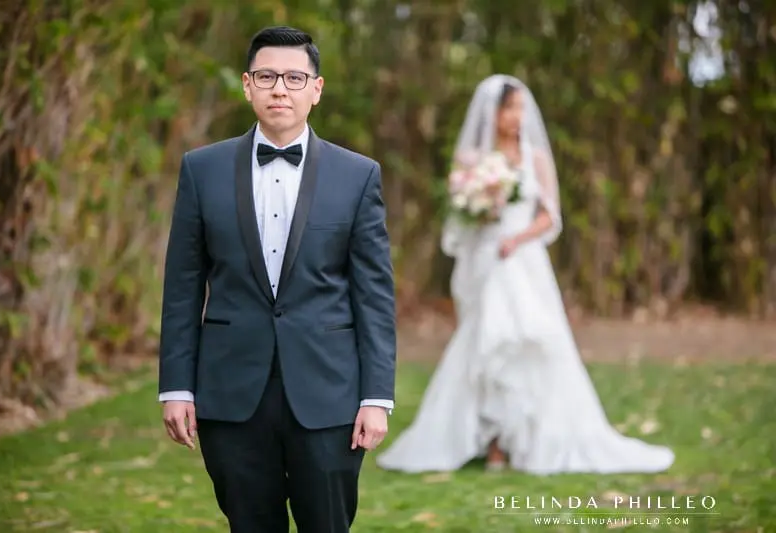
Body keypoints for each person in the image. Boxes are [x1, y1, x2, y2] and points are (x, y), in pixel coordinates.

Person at [157, 26, 396, 533]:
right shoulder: (202, 169)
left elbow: (374, 296)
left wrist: (376, 398)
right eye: (266, 76)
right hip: (231, 393)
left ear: (316, 88)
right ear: (247, 85)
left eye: (293, 77)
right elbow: (182, 285)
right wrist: (176, 386)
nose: (279, 88)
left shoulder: (358, 175)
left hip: (329, 395)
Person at [375, 74, 674, 475]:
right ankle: (492, 439)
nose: (516, 116)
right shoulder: (471, 161)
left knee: (529, 340)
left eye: (520, 108)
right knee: (485, 343)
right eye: (509, 108)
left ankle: (529, 437)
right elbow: (460, 218)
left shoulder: (536, 158)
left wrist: (517, 238)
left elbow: (550, 217)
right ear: (492, 113)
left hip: (524, 261)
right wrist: (482, 206)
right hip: (486, 258)